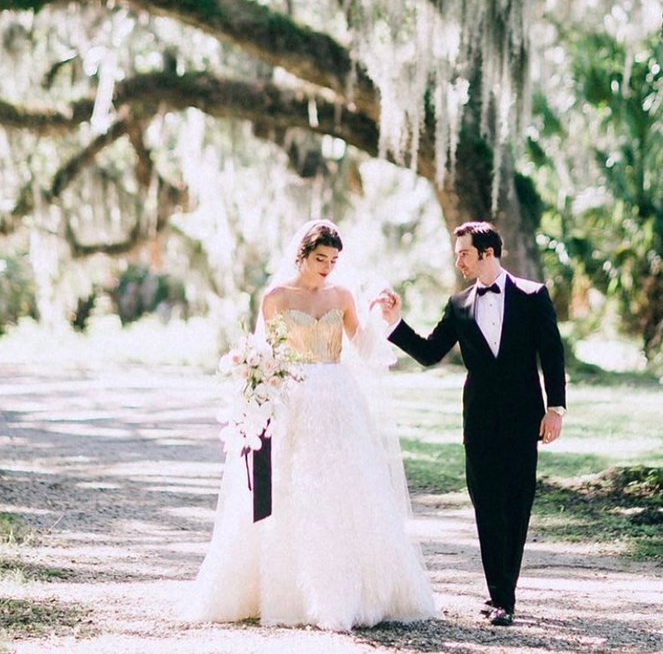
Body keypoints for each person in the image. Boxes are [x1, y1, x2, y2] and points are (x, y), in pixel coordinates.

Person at [184, 219, 435, 632]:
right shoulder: (277, 297)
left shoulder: (342, 295)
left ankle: (350, 592)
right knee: (292, 490)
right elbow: (266, 355)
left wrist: (384, 319)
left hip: (338, 397)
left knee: (345, 489)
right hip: (294, 397)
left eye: (334, 260)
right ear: (301, 255)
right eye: (321, 258)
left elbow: (366, 349)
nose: (328, 267)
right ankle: (290, 593)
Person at [377, 220, 566, 628]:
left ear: (487, 253)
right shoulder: (459, 305)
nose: (458, 260)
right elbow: (429, 353)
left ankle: (504, 595)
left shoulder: (534, 297)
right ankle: (500, 594)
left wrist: (556, 408)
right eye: (457, 253)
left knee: (516, 505)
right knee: (485, 505)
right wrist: (394, 323)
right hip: (478, 421)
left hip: (522, 419)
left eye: (464, 253)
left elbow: (552, 354)